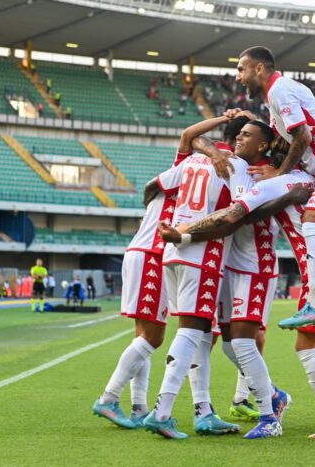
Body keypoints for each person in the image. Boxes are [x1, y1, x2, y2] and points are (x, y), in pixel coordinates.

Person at [163, 144, 315, 439]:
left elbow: (232, 215)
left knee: (306, 347)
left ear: (270, 163)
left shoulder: (273, 184)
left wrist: (184, 232)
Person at [93, 116, 233, 432]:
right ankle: (108, 398)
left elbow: (154, 180)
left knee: (148, 336)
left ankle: (140, 405)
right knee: (155, 337)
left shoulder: (182, 171)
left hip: (147, 251)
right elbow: (189, 139)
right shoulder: (204, 171)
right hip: (156, 253)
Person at [229, 46, 315, 329]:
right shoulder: (276, 97)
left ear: (259, 68)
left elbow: (302, 136)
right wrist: (243, 119)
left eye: (241, 69)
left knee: (314, 226)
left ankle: (314, 306)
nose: (238, 77)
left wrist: (279, 174)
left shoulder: (280, 89)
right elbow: (285, 140)